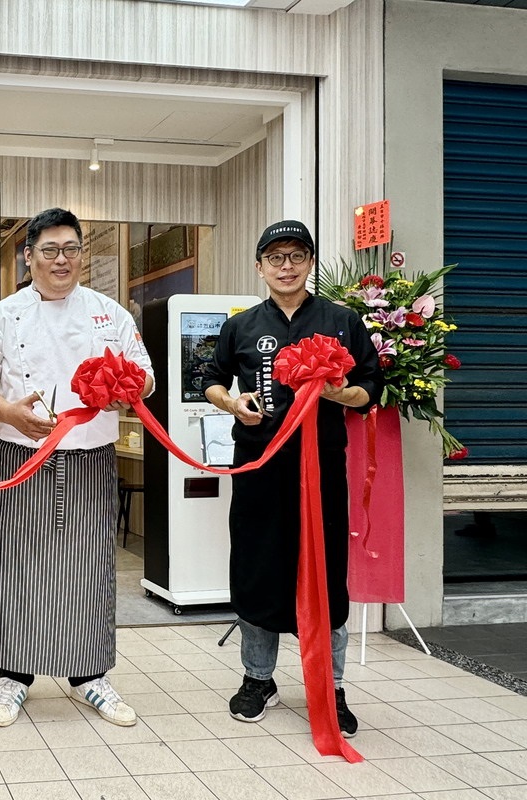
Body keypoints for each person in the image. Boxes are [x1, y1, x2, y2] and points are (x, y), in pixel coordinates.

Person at [0, 208, 155, 728]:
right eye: (49, 250)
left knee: (90, 566)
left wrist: (126, 392)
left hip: (91, 457)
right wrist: (8, 412)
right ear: (29, 256)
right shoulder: (2, 315)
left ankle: (90, 676)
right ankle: (13, 676)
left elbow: (146, 376)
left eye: (71, 248)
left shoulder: (111, 314)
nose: (61, 259)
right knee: (18, 563)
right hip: (21, 457)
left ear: (81, 253)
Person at [202, 220, 382, 738]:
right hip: (260, 468)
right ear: (259, 266)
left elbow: (371, 387)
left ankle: (331, 686)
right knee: (259, 571)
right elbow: (211, 380)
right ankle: (258, 679)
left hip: (322, 469)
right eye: (275, 257)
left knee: (325, 574)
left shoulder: (342, 321)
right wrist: (233, 402)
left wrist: (336, 394)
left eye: (296, 255)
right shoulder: (241, 325)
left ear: (310, 263)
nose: (286, 266)